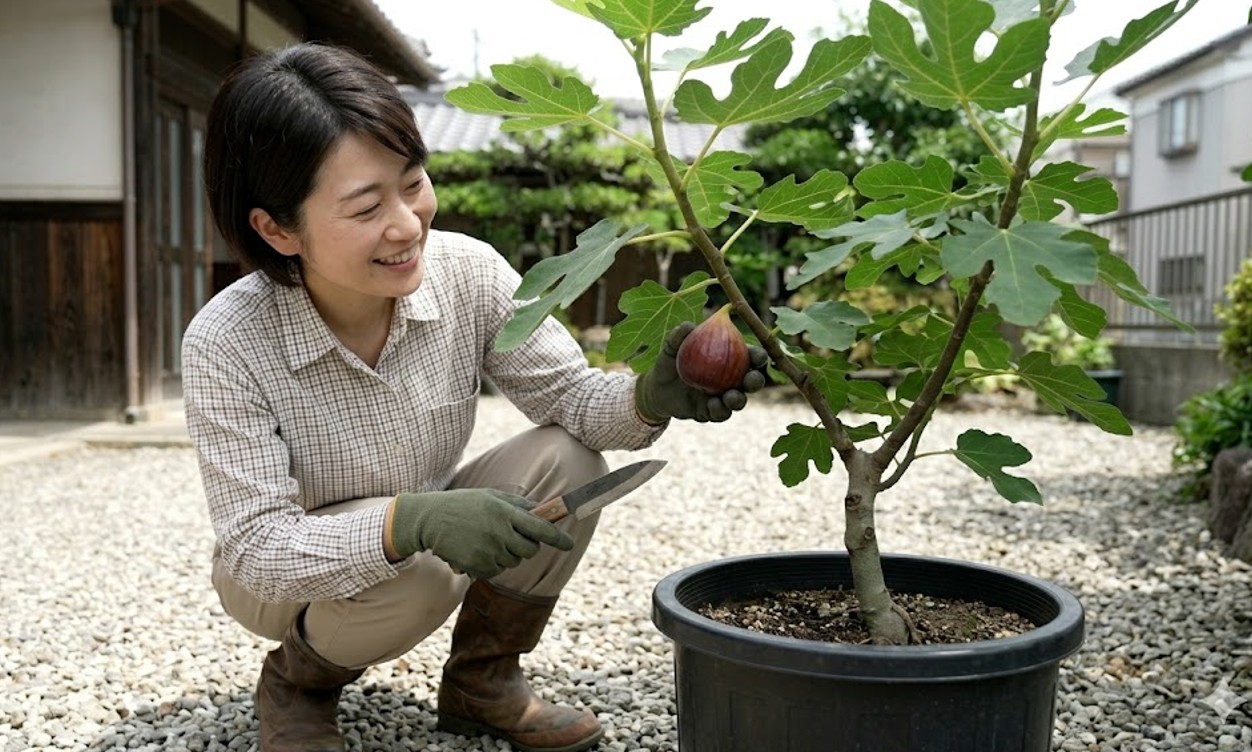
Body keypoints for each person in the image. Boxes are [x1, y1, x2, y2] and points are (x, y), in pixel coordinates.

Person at [184, 42, 766, 752]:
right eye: (366, 207)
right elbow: (256, 548)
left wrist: (652, 396)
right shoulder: (226, 341)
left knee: (570, 459)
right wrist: (411, 523)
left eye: (413, 182)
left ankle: (481, 681)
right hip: (283, 577)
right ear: (277, 229)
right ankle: (298, 684)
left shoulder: (469, 273)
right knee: (421, 573)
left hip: (427, 524)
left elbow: (574, 400)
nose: (407, 224)